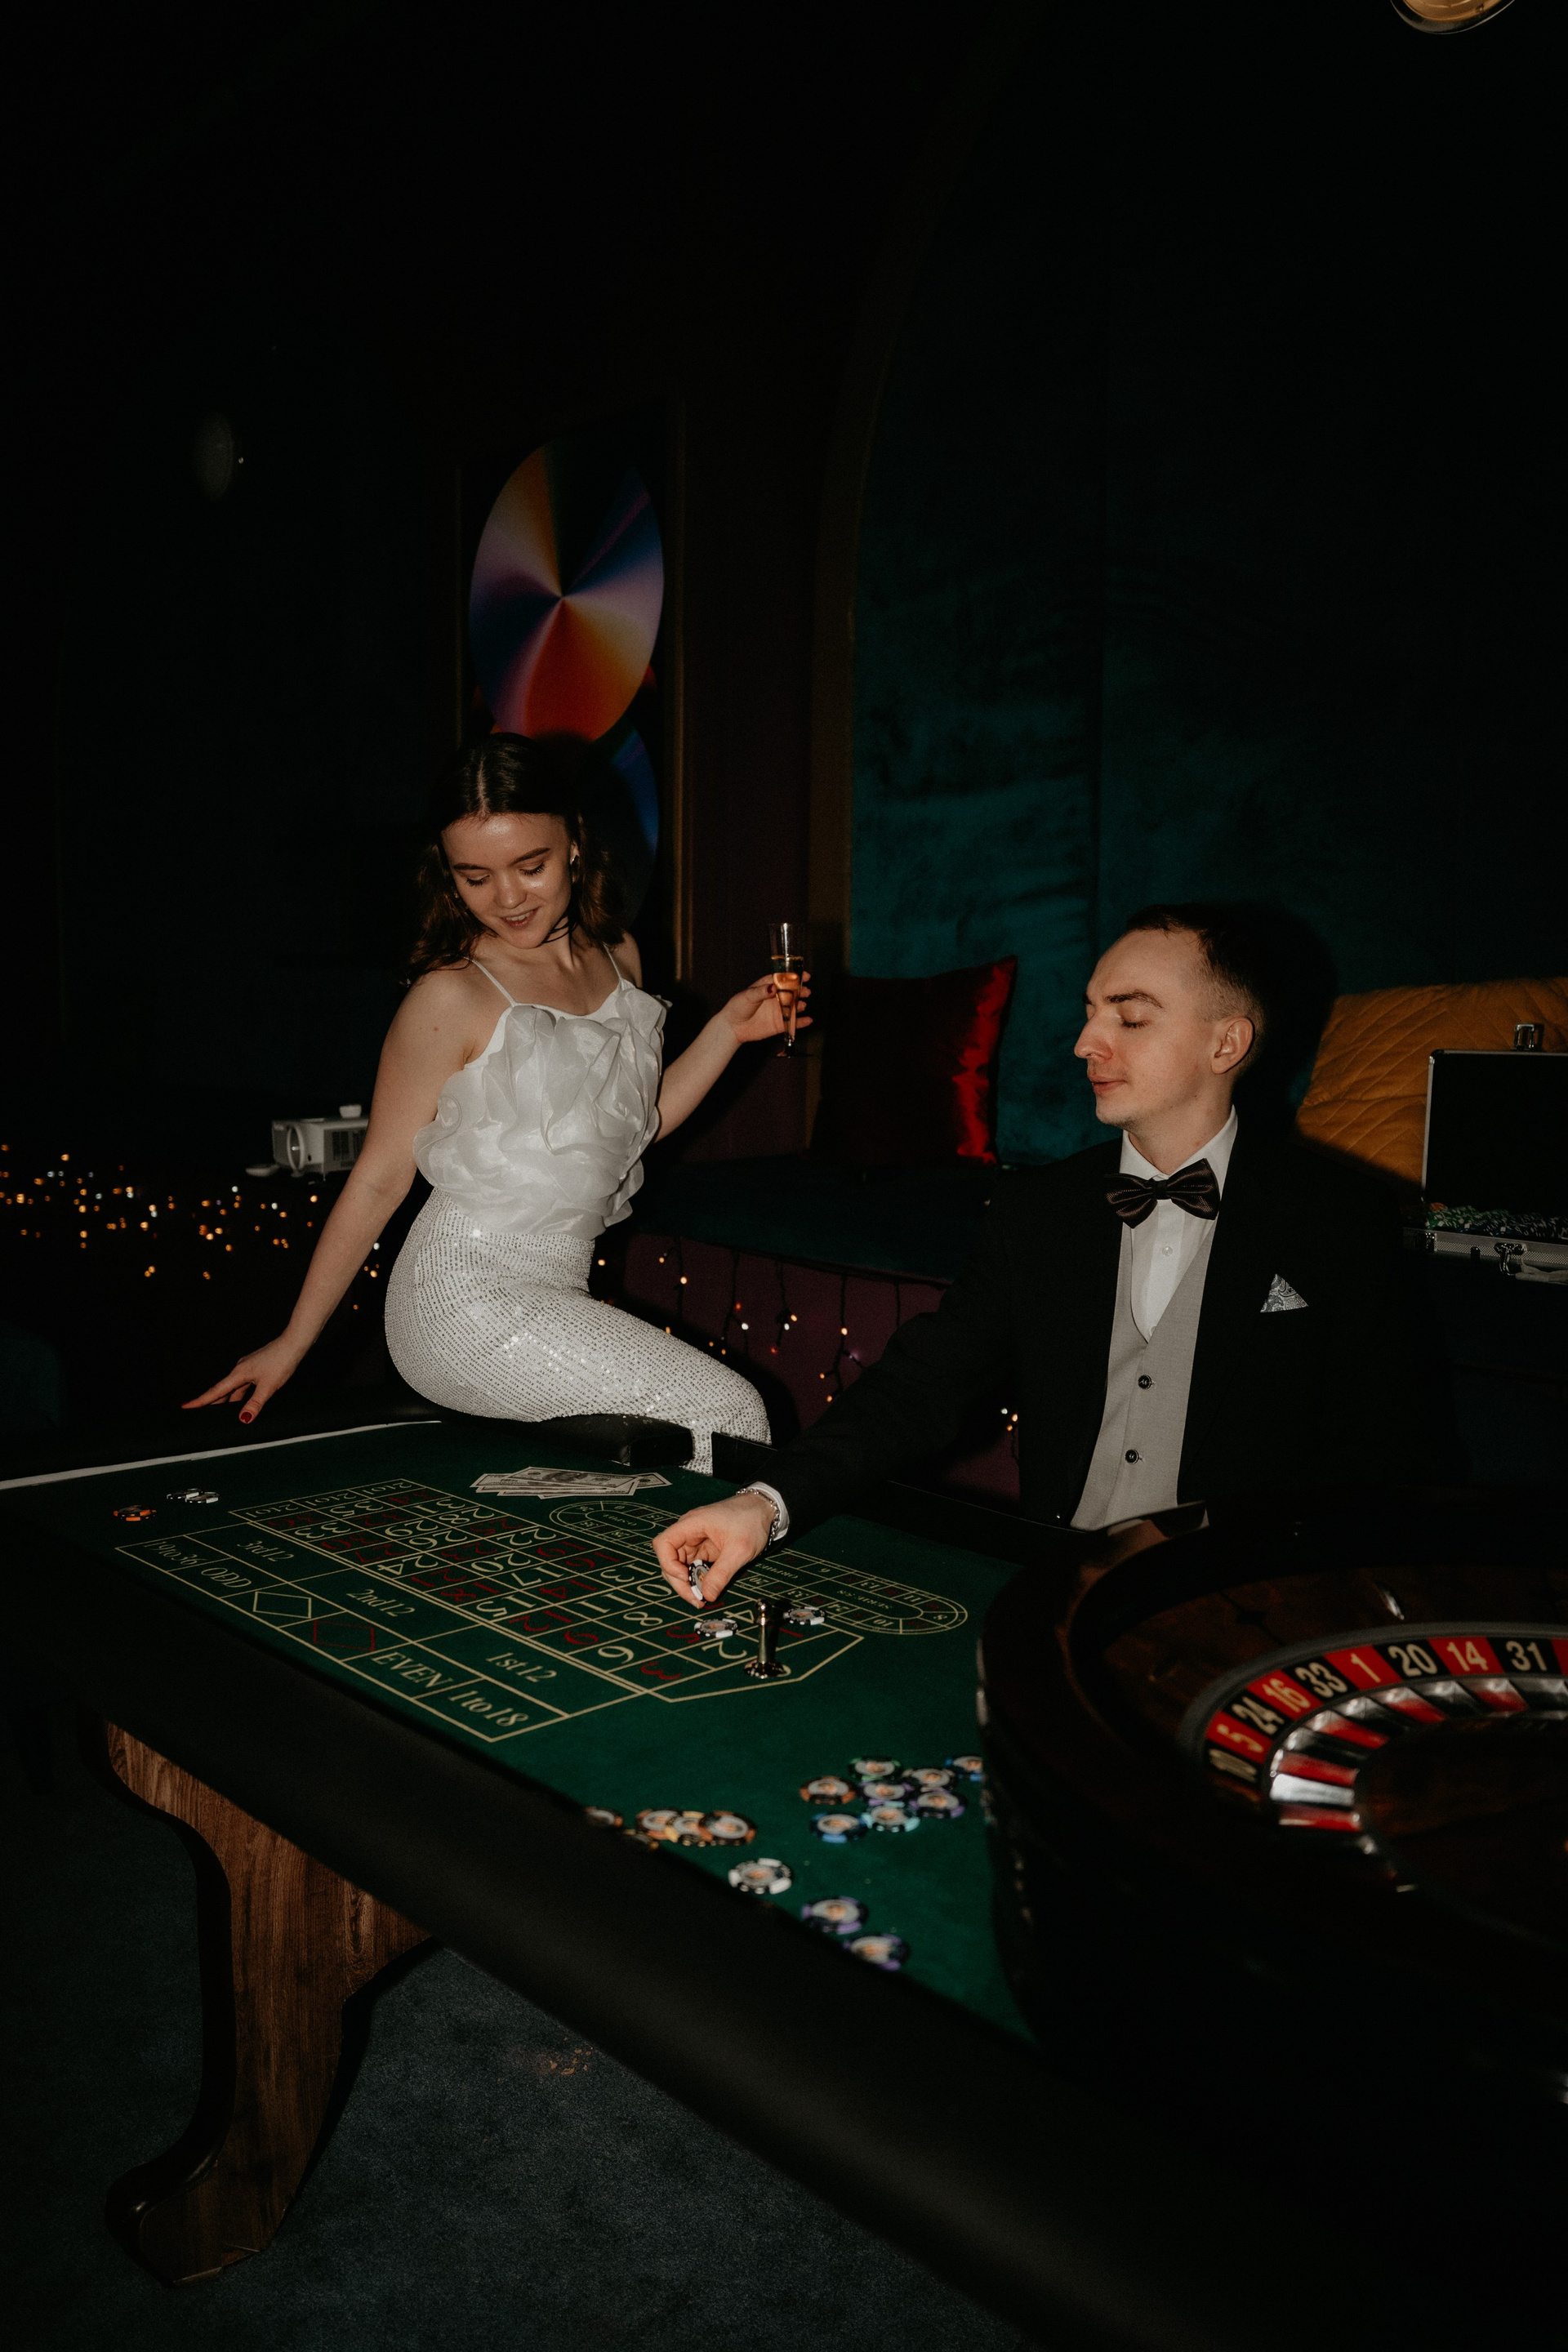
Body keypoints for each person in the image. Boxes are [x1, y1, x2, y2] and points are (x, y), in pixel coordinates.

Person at [654, 902, 1429, 1603]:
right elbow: (918, 1387)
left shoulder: (1339, 1217)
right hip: (1059, 1592)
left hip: (1242, 1601)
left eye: (1131, 1018)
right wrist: (764, 1503)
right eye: (1090, 1013)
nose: (1086, 1043)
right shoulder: (1039, 1210)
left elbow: (1383, 1460)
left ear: (1226, 1042)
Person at [188, 733, 803, 1470]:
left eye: (530, 866)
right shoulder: (450, 995)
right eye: (475, 877)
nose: (507, 899)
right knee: (729, 1412)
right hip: (459, 1296)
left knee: (667, 1449)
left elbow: (638, 1127)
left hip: (556, 1289)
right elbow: (380, 1178)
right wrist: (294, 1342)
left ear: (575, 843)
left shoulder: (621, 956)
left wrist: (730, 1030)